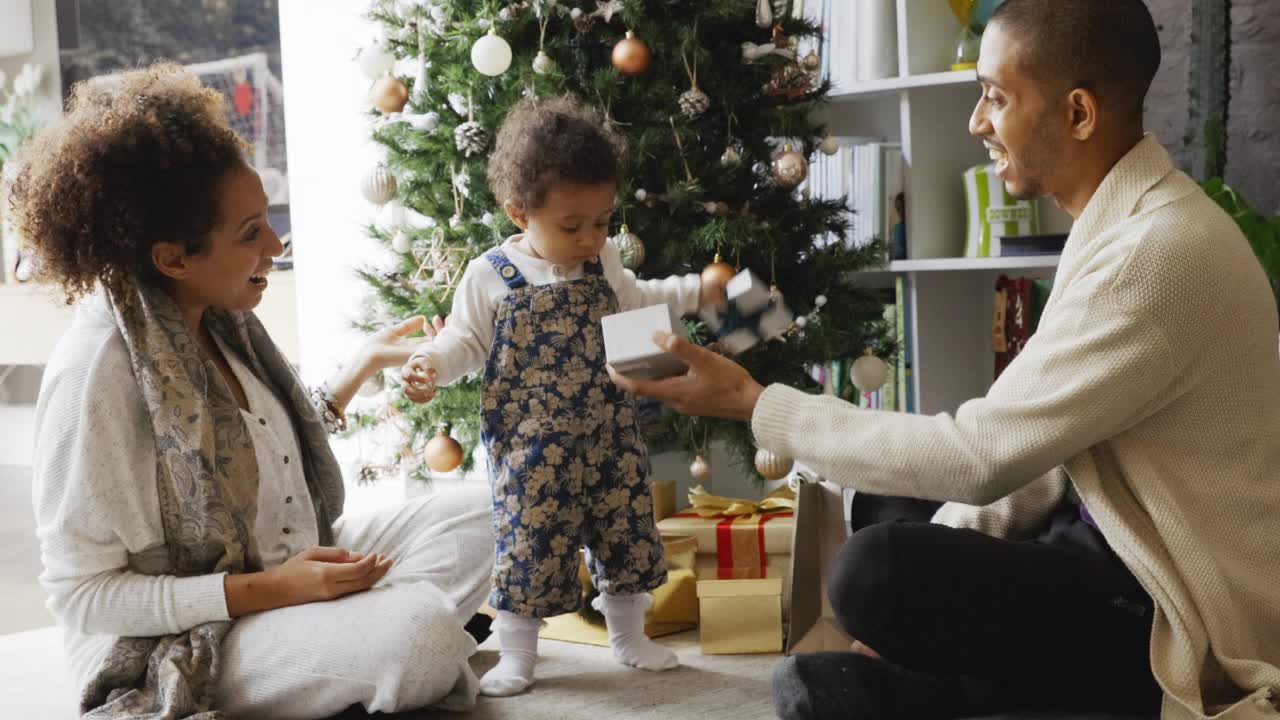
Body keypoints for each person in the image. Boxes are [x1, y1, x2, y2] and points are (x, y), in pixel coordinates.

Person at [608, 1, 1280, 718]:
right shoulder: (1125, 224)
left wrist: (752, 403)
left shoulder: (1153, 254)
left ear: (1079, 112)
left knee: (878, 571)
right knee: (881, 512)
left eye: (995, 96)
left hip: (1167, 606)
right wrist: (929, 575)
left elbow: (984, 455)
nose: (976, 122)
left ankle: (973, 690)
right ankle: (957, 686)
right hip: (1099, 534)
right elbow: (1037, 459)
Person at [11, 64, 495, 719]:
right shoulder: (97, 371)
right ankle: (381, 647)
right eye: (249, 234)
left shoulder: (220, 317)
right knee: (421, 633)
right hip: (183, 636)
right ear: (173, 258)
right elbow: (83, 596)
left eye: (267, 220)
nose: (275, 244)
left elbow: (263, 457)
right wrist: (266, 591)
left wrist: (357, 370)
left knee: (492, 517)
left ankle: (357, 655)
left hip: (284, 567)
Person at [399, 94, 722, 697]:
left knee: (625, 530)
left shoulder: (603, 258)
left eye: (601, 221)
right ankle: (519, 654)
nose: (589, 236)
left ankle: (628, 637)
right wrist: (428, 364)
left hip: (609, 431)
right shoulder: (492, 274)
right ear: (520, 212)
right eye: (571, 226)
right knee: (529, 544)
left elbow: (635, 299)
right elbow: (465, 341)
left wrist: (696, 290)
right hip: (530, 447)